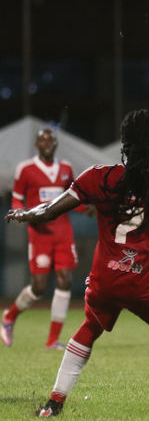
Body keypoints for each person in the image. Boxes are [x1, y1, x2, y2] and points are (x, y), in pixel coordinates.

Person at [6, 109, 149, 420]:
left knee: (90, 328)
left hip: (104, 280)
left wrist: (26, 214)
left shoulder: (99, 176)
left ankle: (52, 405)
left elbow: (50, 211)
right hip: (144, 282)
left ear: (122, 141)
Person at [1, 128, 88, 350]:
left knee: (64, 279)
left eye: (51, 140)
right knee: (39, 287)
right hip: (39, 235)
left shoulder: (66, 168)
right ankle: (9, 317)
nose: (47, 143)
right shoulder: (26, 169)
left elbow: (73, 198)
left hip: (63, 233)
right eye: (43, 140)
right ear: (37, 144)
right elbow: (17, 200)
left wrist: (88, 208)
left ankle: (52, 340)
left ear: (56, 144)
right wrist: (20, 213)